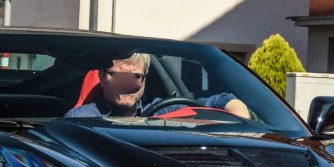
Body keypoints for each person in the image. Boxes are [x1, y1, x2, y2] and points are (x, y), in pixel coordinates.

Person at [65, 52, 249, 119]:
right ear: (103, 78)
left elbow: (220, 101)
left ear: (144, 80)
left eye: (136, 77)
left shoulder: (165, 110)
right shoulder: (82, 116)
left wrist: (243, 122)